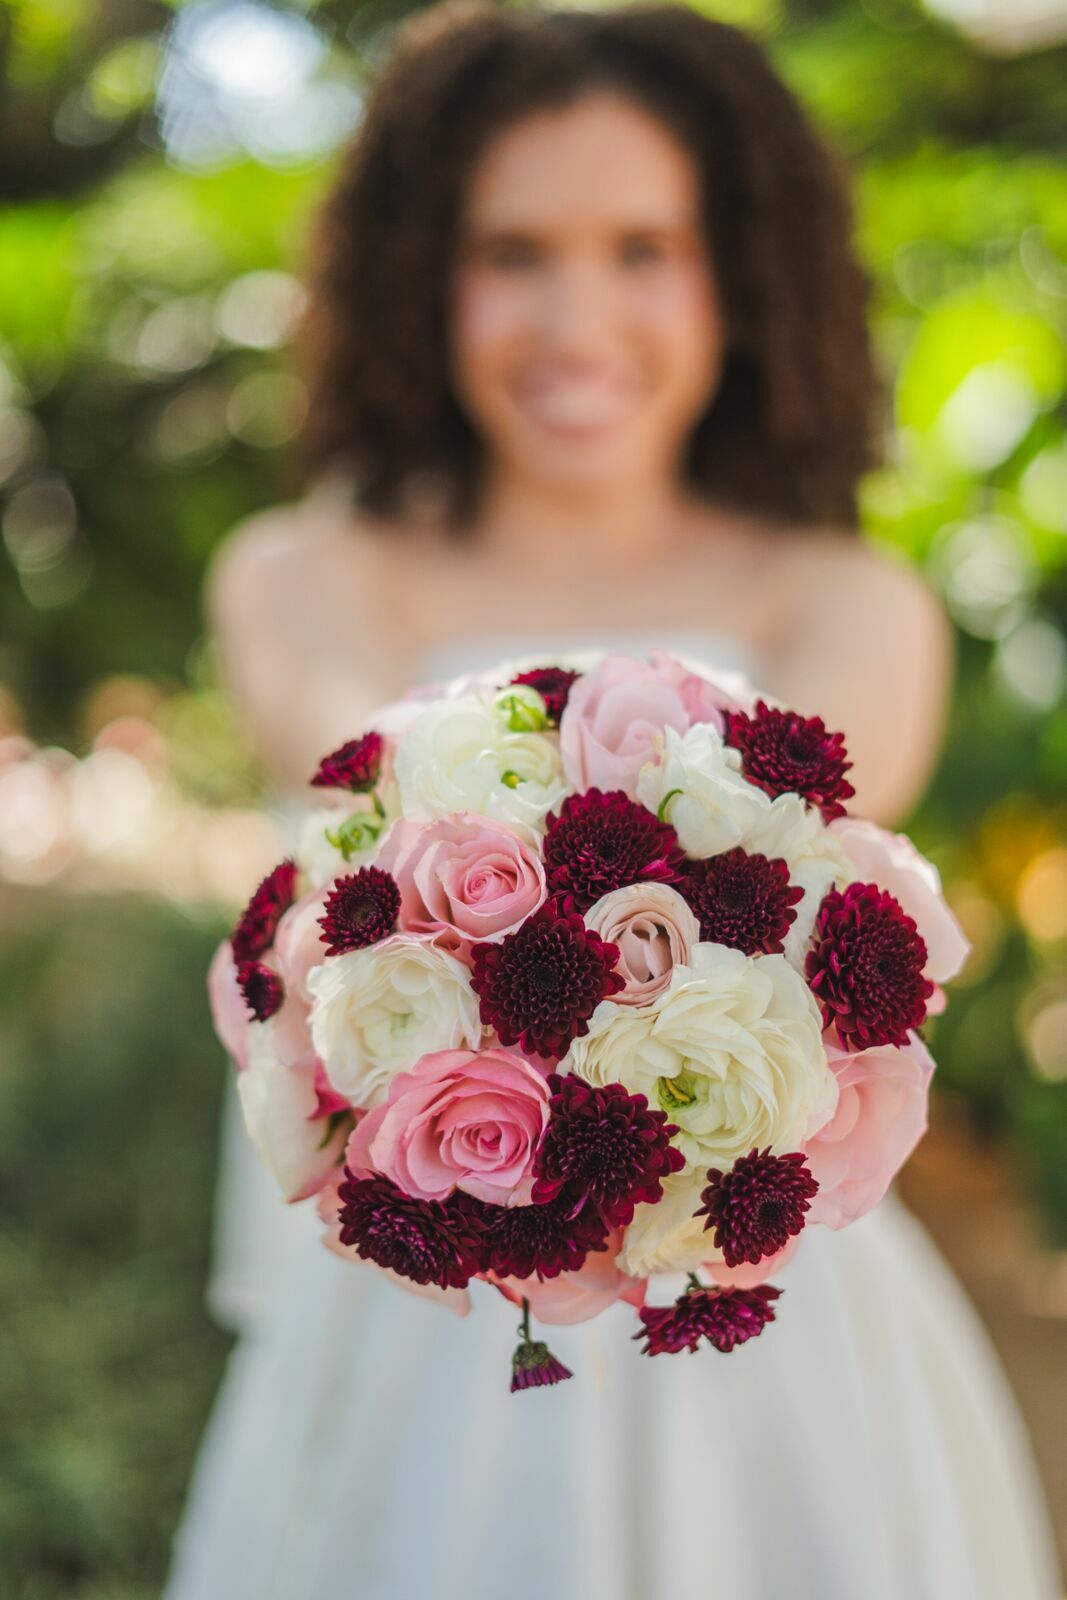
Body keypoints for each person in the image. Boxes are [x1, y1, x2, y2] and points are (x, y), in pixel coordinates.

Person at [164, 7, 1062, 1597]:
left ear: (746, 273)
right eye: (514, 251)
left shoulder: (848, 602)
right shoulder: (300, 575)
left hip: (773, 1337)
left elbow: (786, 897)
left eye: (645, 247)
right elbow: (349, 776)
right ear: (421, 275)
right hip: (411, 1327)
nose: (577, 316)